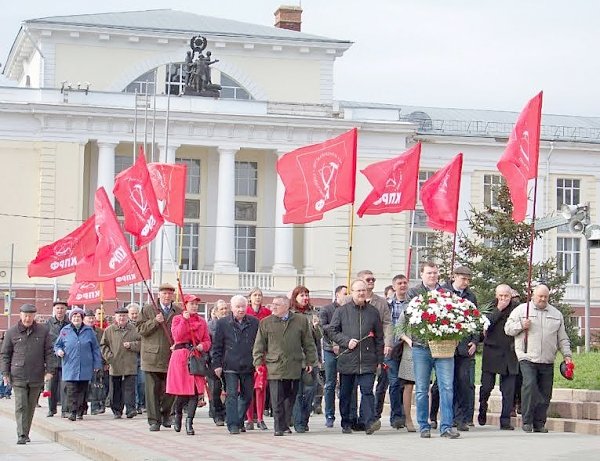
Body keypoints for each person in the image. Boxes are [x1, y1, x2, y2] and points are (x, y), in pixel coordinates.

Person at [505, 284, 572, 433]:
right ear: (533, 295)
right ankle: (527, 421)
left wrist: (567, 355)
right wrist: (522, 325)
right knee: (529, 385)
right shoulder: (522, 310)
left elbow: (562, 338)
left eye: (545, 297)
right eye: (540, 296)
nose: (542, 299)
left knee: (545, 392)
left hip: (547, 359)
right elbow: (508, 329)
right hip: (527, 356)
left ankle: (539, 423)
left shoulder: (556, 314)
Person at [408, 261, 460, 439]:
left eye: (435, 273)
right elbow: (409, 316)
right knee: (422, 388)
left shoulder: (447, 293)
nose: (432, 276)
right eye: (429, 273)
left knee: (447, 387)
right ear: (421, 274)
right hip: (421, 347)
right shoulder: (413, 292)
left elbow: (456, 315)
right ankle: (424, 425)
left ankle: (446, 426)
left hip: (443, 347)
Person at [253, 296, 317, 437]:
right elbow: (259, 344)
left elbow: (308, 343)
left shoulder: (300, 321)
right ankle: (278, 427)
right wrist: (258, 362)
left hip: (294, 364)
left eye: (277, 305)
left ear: (286, 306)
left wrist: (310, 361)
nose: (273, 307)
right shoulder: (266, 322)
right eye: (273, 304)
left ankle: (285, 423)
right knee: (276, 398)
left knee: (290, 397)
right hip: (274, 365)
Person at [329, 279, 384, 435]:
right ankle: (346, 422)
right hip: (348, 359)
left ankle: (368, 422)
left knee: (367, 391)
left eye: (363, 290)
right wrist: (346, 341)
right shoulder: (341, 311)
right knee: (346, 393)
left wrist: (380, 360)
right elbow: (332, 331)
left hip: (368, 359)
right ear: (351, 292)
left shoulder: (373, 312)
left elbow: (379, 337)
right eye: (358, 290)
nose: (361, 293)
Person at [1, 304, 55, 444]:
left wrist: (49, 371)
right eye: (25, 315)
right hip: (17, 374)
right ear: (20, 315)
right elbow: (5, 354)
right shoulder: (12, 332)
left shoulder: (42, 332)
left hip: (36, 374)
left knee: (30, 406)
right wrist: (5, 373)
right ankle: (21, 435)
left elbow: (49, 352)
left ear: (34, 316)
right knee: (21, 405)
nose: (28, 318)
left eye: (30, 315)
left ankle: (26, 432)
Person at [137, 282, 182, 432]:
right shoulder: (148, 309)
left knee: (171, 390)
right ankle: (154, 420)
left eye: (170, 293)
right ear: (159, 294)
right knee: (152, 391)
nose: (167, 296)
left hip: (171, 356)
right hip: (152, 357)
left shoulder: (178, 311)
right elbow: (140, 330)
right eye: (164, 293)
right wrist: (155, 322)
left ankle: (165, 414)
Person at [213, 295, 260, 434]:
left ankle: (238, 420)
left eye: (243, 306)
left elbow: (259, 344)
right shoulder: (222, 323)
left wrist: (258, 362)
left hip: (248, 364)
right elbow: (217, 346)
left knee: (247, 395)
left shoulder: (254, 322)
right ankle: (233, 425)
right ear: (232, 308)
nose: (241, 309)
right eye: (237, 307)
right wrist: (217, 364)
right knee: (232, 394)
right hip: (230, 365)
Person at [166, 294, 211, 436]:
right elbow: (177, 336)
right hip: (181, 358)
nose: (195, 306)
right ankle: (178, 414)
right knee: (182, 393)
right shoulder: (177, 319)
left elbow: (207, 341)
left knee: (194, 392)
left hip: (195, 357)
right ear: (185, 305)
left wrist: (202, 346)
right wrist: (184, 321)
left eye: (196, 304)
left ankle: (189, 422)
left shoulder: (202, 322)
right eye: (191, 304)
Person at [478, 284, 519, 430]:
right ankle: (483, 406)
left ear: (511, 296)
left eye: (506, 296)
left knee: (508, 390)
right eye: (501, 296)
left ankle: (505, 420)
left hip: (509, 353)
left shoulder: (516, 308)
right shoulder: (490, 306)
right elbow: (484, 324)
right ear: (496, 295)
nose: (503, 299)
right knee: (487, 386)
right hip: (492, 352)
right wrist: (498, 309)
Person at [356, 270, 393, 426]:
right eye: (368, 279)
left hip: (373, 349)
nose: (371, 282)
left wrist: (388, 343)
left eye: (373, 279)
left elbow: (388, 323)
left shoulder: (381, 302)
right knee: (349, 388)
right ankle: (351, 419)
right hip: (353, 349)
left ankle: (367, 419)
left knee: (368, 386)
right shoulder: (347, 301)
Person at [443, 266, 479, 431]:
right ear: (454, 277)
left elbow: (476, 320)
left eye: (468, 279)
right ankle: (443, 417)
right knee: (445, 383)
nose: (466, 282)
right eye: (463, 278)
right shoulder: (444, 291)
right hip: (447, 345)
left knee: (463, 381)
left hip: (464, 347)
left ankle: (461, 419)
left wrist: (475, 341)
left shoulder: (471, 296)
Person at [54, 307, 102, 422]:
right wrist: (59, 351)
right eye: (74, 317)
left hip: (85, 366)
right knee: (71, 390)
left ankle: (80, 411)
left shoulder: (89, 331)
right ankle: (72, 412)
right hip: (70, 365)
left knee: (82, 390)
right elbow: (57, 345)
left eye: (78, 317)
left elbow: (95, 348)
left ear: (82, 318)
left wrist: (97, 364)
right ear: (71, 318)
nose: (76, 318)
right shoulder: (65, 330)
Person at [289, 285, 322, 433]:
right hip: (294, 359)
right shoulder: (290, 314)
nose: (305, 298)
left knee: (310, 391)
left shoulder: (313, 313)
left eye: (307, 295)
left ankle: (304, 418)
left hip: (311, 358)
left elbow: (320, 337)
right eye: (302, 295)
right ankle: (298, 422)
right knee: (297, 392)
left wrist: (316, 327)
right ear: (295, 297)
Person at [101, 305, 141, 419]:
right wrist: (109, 357)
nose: (122, 318)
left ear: (127, 317)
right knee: (115, 388)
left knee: (130, 388)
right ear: (115, 317)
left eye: (124, 316)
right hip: (115, 363)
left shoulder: (134, 329)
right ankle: (117, 410)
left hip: (130, 363)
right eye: (119, 316)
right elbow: (103, 345)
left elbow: (142, 343)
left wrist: (132, 345)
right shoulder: (109, 330)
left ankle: (130, 409)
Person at [319, 284, 347, 428]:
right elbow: (323, 328)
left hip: (346, 350)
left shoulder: (349, 310)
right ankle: (329, 414)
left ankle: (346, 415)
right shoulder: (327, 309)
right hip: (330, 350)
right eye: (344, 293)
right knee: (330, 383)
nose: (347, 296)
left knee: (346, 383)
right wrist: (334, 341)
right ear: (337, 295)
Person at [387, 274, 413, 430]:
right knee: (394, 382)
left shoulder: (413, 304)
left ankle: (405, 415)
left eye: (404, 283)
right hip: (392, 347)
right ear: (394, 286)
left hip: (407, 347)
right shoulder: (387, 304)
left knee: (406, 383)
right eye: (399, 283)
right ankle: (396, 416)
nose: (403, 285)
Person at [244, 288, 271, 431]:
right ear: (250, 297)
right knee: (248, 388)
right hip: (248, 354)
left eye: (260, 295)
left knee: (260, 387)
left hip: (262, 354)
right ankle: (249, 419)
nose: (258, 297)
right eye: (255, 295)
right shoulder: (246, 311)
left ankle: (260, 418)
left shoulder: (266, 313)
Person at [45, 300, 70, 417]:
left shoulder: (69, 324)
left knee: (65, 386)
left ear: (66, 310)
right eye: (58, 308)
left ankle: (65, 409)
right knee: (51, 387)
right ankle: (51, 408)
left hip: (66, 360)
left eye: (62, 308)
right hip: (52, 361)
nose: (60, 310)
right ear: (54, 310)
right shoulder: (48, 324)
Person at [207, 299, 229, 426]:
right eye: (221, 309)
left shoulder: (231, 324)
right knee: (215, 390)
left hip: (229, 361)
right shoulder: (210, 326)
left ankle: (226, 412)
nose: (224, 311)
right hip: (213, 361)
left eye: (226, 308)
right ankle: (217, 414)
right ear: (215, 312)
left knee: (229, 389)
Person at [84, 309, 108, 415]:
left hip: (97, 362)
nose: (91, 320)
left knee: (97, 385)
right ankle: (83, 407)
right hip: (84, 363)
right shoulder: (81, 331)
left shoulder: (100, 332)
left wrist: (105, 362)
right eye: (88, 318)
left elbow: (104, 347)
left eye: (92, 318)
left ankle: (96, 406)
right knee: (85, 386)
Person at [127, 303, 145, 414]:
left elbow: (143, 342)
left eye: (136, 313)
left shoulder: (141, 325)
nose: (134, 315)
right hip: (129, 359)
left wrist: (132, 345)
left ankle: (141, 404)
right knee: (131, 385)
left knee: (141, 383)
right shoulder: (126, 326)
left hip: (142, 358)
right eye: (132, 313)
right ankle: (134, 405)